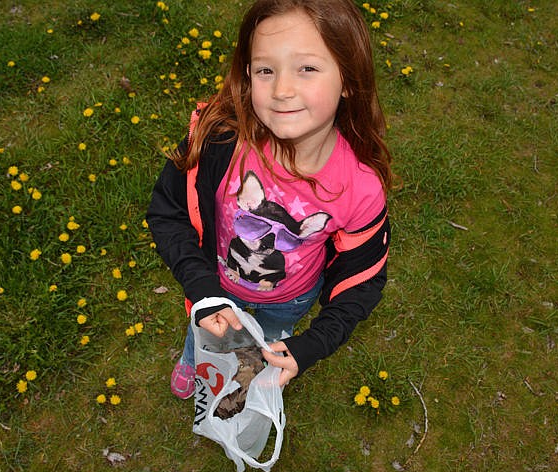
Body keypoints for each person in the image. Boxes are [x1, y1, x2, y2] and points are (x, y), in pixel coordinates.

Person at [147, 0, 393, 400]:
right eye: (266, 70)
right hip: (217, 284)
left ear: (348, 78)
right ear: (247, 75)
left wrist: (311, 345)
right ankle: (194, 359)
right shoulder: (221, 142)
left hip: (291, 299)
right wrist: (204, 291)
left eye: (307, 68)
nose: (281, 90)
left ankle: (256, 371)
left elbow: (362, 278)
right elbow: (168, 213)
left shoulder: (360, 188)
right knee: (206, 329)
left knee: (268, 347)